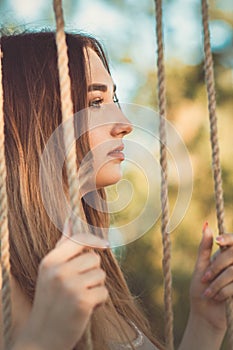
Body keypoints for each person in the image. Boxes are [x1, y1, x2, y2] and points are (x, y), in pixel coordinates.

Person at [0, 31, 233, 350]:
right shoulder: (8, 283)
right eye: (95, 102)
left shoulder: (95, 269)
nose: (124, 123)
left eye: (114, 99)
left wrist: (206, 324)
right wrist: (45, 341)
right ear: (35, 116)